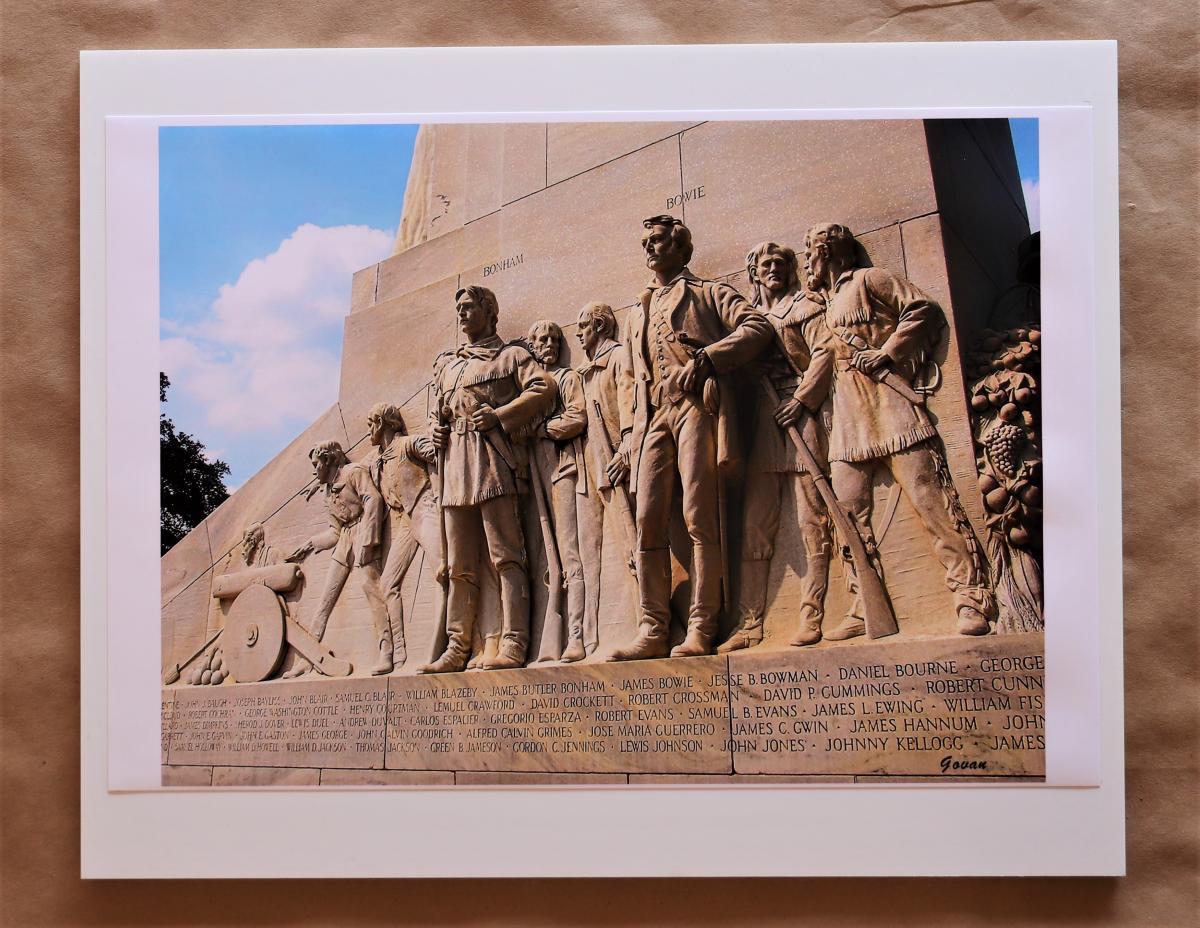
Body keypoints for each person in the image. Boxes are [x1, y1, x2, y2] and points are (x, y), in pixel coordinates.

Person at [802, 222, 995, 638]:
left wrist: (889, 353)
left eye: (811, 253)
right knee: (848, 516)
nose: (807, 262)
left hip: (892, 410)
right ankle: (861, 606)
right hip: (849, 423)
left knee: (932, 503)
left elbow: (923, 309)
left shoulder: (870, 280)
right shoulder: (823, 305)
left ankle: (970, 596)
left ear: (831, 252)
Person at [609, 215, 774, 661]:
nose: (651, 248)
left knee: (700, 516)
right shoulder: (635, 312)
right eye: (646, 241)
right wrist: (628, 435)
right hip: (650, 421)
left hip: (696, 408)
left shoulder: (708, 292)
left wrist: (707, 359)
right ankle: (652, 627)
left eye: (660, 241)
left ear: (682, 249)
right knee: (647, 520)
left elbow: (757, 328)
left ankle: (702, 623)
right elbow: (628, 378)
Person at [418, 285, 555, 673]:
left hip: (493, 464)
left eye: (468, 307)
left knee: (507, 557)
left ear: (489, 311)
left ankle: (514, 641)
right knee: (459, 564)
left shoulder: (510, 356)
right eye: (457, 308)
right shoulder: (449, 366)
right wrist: (436, 433)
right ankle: (457, 645)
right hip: (454, 472)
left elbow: (544, 388)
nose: (461, 313)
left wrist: (501, 415)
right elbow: (436, 416)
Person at [720, 241, 835, 652]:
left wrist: (802, 399)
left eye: (781, 263)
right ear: (753, 272)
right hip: (762, 427)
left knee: (812, 520)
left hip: (801, 416)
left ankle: (812, 614)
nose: (774, 270)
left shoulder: (807, 307)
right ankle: (750, 623)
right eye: (766, 264)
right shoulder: (746, 322)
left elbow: (825, 353)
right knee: (756, 526)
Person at [284, 440, 391, 676]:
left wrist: (369, 539)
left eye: (316, 464)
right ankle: (309, 658)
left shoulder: (353, 473)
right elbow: (334, 532)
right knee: (324, 601)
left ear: (329, 460)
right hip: (344, 541)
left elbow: (373, 499)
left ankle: (387, 651)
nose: (314, 470)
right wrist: (310, 545)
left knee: (372, 591)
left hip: (363, 532)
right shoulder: (327, 492)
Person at [528, 320, 588, 663]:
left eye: (554, 338)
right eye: (542, 339)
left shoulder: (566, 377)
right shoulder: (527, 386)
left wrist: (544, 430)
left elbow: (576, 416)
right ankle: (542, 639)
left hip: (561, 471)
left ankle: (576, 636)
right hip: (532, 475)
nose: (549, 343)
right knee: (541, 560)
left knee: (568, 554)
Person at [364, 402, 440, 670]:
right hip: (406, 521)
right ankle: (396, 653)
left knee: (443, 571)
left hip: (425, 508)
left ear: (385, 423)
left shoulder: (408, 444)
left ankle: (449, 638)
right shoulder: (375, 461)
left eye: (372, 423)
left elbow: (436, 452)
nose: (369, 430)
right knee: (387, 584)